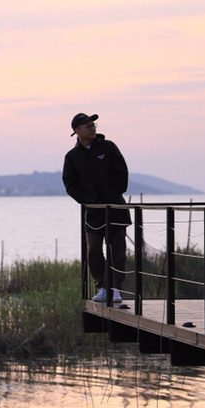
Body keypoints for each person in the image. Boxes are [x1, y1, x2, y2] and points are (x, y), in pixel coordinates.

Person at [62, 112, 130, 305]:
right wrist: (88, 200)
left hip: (115, 208)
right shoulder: (73, 157)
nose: (92, 128)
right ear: (77, 131)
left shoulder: (108, 148)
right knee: (93, 250)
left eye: (94, 125)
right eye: (88, 126)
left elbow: (121, 173)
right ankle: (102, 286)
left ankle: (115, 288)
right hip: (93, 212)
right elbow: (70, 183)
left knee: (117, 250)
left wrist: (113, 195)